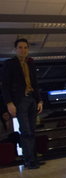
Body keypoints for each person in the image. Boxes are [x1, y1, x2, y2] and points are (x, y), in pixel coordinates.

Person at [1, 38, 43, 169]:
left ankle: (33, 158)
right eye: (20, 47)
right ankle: (29, 160)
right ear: (15, 49)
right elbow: (5, 86)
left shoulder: (30, 63)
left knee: (32, 131)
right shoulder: (9, 64)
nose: (23, 50)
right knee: (26, 131)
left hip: (32, 99)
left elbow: (35, 84)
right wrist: (9, 103)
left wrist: (39, 100)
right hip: (20, 101)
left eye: (25, 47)